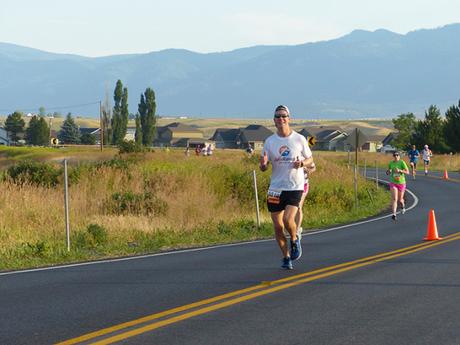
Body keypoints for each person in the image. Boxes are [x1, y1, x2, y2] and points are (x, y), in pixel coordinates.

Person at [260, 105, 313, 270]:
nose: (281, 119)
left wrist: (302, 163)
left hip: (294, 186)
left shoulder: (299, 139)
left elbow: (311, 160)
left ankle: (295, 239)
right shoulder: (270, 142)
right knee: (277, 226)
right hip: (276, 188)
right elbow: (264, 165)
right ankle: (286, 257)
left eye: (283, 116)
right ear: (274, 120)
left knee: (288, 220)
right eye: (277, 116)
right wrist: (263, 165)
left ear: (289, 118)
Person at [295, 161, 316, 240]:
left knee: (298, 206)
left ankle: (297, 231)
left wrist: (307, 170)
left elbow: (313, 167)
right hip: (291, 185)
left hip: (304, 184)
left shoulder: (305, 154)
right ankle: (294, 226)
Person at [386, 151, 409, 221]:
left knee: (400, 200)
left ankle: (402, 207)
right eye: (394, 155)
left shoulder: (402, 162)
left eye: (397, 155)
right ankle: (394, 214)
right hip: (393, 183)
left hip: (401, 183)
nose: (396, 156)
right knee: (394, 199)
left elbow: (407, 172)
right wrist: (389, 171)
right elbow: (387, 172)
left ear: (399, 156)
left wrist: (400, 171)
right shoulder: (391, 163)